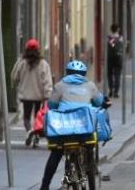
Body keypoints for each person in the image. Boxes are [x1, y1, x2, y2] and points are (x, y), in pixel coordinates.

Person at [40, 60, 109, 190]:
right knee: (89, 148)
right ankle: (90, 175)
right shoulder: (90, 86)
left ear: (67, 73)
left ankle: (44, 186)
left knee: (56, 153)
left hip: (63, 131)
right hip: (84, 130)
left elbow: (51, 105)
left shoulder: (60, 85)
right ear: (83, 74)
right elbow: (99, 101)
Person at [11, 38, 53, 148]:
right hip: (39, 96)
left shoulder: (22, 63)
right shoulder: (43, 64)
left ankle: (29, 131)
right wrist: (48, 94)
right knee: (37, 118)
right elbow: (47, 80)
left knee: (26, 117)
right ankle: (35, 136)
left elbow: (14, 77)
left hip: (26, 95)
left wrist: (19, 61)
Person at [106, 24, 124, 98]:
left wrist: (112, 42)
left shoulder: (108, 38)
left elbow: (109, 45)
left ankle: (110, 90)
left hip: (110, 58)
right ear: (118, 29)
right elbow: (122, 46)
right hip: (118, 58)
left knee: (110, 75)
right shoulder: (120, 38)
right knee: (117, 75)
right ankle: (116, 92)